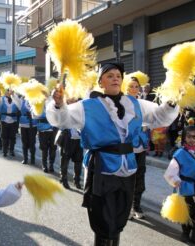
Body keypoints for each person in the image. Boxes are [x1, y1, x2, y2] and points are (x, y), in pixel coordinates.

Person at [47, 63, 179, 245]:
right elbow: (63, 120)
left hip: (128, 168)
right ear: (101, 82)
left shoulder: (135, 103)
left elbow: (159, 117)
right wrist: (58, 104)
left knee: (119, 217)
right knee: (102, 219)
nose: (115, 78)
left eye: (118, 75)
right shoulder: (87, 106)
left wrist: (171, 103)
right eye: (110, 75)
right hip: (101, 168)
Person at [124, 76, 149, 219]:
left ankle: (136, 206)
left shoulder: (143, 104)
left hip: (140, 146)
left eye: (136, 86)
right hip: (127, 148)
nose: (134, 89)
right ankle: (127, 208)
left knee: (140, 179)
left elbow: (152, 117)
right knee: (128, 178)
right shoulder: (122, 103)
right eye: (131, 86)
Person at [55, 98, 83, 189]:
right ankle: (63, 178)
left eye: (74, 99)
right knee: (65, 160)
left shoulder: (80, 109)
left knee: (78, 161)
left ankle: (77, 180)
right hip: (67, 138)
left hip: (78, 139)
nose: (73, 100)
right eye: (71, 98)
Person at [12, 94, 38, 165]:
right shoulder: (22, 101)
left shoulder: (36, 101)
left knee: (32, 142)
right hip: (23, 125)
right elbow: (16, 100)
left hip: (33, 125)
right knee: (24, 142)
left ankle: (32, 159)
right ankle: (25, 158)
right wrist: (12, 94)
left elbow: (39, 112)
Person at [0, 89, 19, 157]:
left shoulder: (15, 98)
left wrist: (13, 95)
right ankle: (4, 151)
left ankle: (11, 150)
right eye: (8, 91)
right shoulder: (1, 98)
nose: (9, 92)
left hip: (13, 120)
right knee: (4, 136)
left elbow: (19, 105)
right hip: (4, 120)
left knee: (12, 136)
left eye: (10, 91)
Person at [35, 108, 58, 173]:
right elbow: (34, 115)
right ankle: (44, 165)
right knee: (44, 148)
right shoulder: (40, 105)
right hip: (43, 130)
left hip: (54, 130)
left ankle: (51, 165)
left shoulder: (54, 104)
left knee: (53, 148)